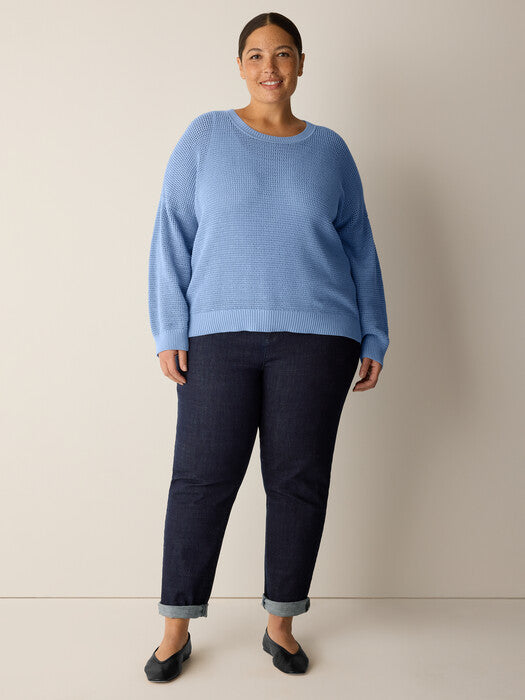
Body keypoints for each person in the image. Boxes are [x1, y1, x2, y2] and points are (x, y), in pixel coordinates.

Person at [144, 12, 389, 682]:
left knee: (297, 482)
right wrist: (169, 330)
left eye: (282, 54)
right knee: (201, 479)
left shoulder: (330, 151)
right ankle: (175, 627)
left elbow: (360, 247)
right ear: (239, 65)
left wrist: (374, 330)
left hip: (320, 338)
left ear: (301, 64)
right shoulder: (205, 137)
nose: (269, 68)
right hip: (217, 336)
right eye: (255, 55)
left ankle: (280, 623)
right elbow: (172, 233)